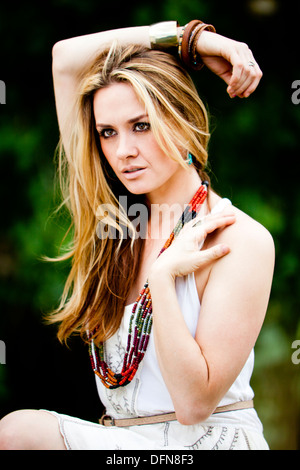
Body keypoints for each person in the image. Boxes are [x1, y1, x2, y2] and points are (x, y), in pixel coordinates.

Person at [0, 20, 274, 450]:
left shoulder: (240, 239)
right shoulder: (111, 221)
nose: (123, 150)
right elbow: (65, 59)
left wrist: (163, 281)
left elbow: (193, 404)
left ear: (182, 119)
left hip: (205, 443)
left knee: (17, 433)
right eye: (108, 133)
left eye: (141, 125)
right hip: (122, 443)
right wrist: (192, 40)